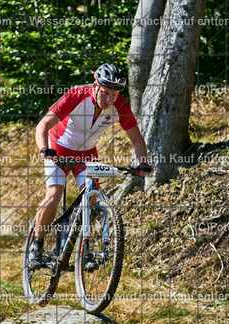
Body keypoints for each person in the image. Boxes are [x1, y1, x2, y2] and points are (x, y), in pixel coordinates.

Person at [28, 63, 152, 268]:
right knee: (54, 194)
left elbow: (137, 139)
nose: (109, 100)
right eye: (105, 93)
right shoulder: (77, 95)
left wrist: (143, 163)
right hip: (58, 147)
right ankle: (36, 246)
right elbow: (43, 125)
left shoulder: (120, 105)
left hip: (87, 153)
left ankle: (84, 249)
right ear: (95, 86)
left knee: (92, 197)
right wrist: (44, 149)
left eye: (114, 95)